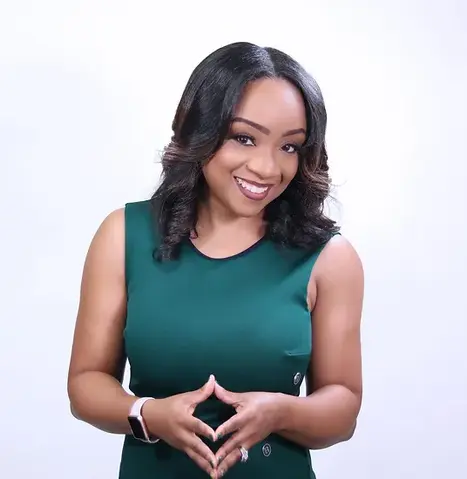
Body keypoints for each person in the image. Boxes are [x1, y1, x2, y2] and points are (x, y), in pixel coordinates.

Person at [67, 41, 364, 479]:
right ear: (200, 130)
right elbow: (85, 383)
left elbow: (343, 407)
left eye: (290, 146)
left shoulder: (329, 258)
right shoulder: (123, 235)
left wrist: (279, 412)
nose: (267, 168)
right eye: (244, 138)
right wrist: (148, 415)